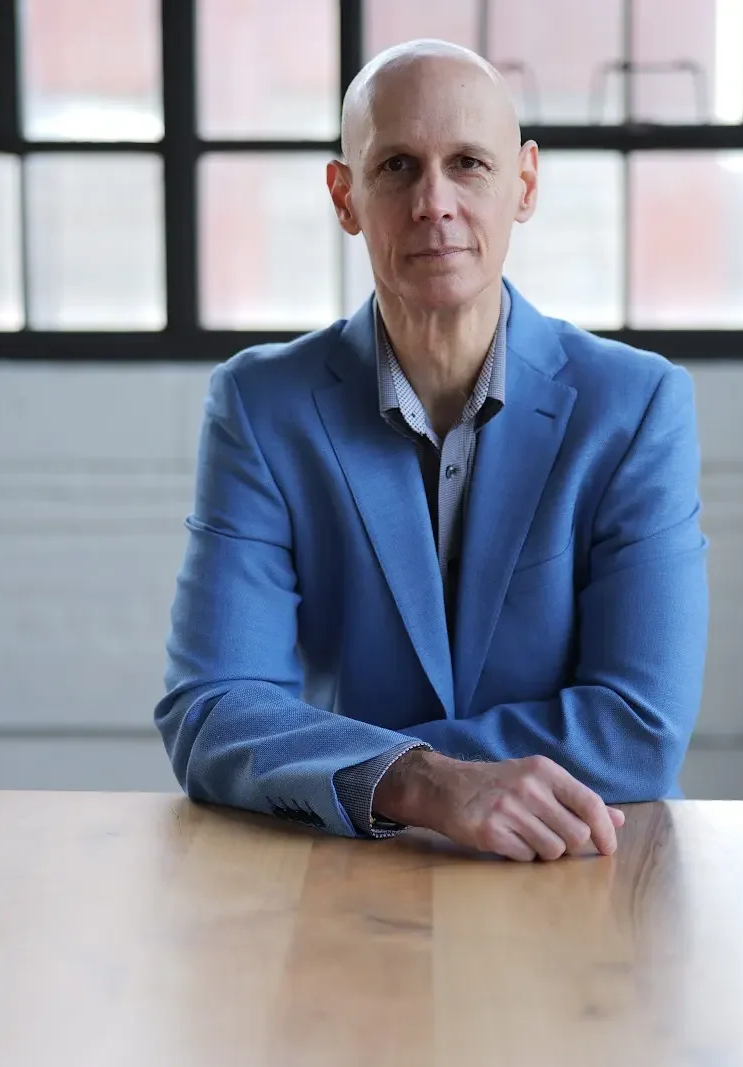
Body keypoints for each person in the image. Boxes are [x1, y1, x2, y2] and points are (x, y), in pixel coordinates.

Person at [154, 39, 708, 862]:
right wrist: (426, 782)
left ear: (524, 184)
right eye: (398, 167)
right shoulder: (261, 406)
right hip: (352, 870)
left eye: (469, 164)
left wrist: (345, 762)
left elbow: (638, 728)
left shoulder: (633, 406)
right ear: (345, 195)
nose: (434, 202)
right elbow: (210, 711)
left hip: (586, 869)